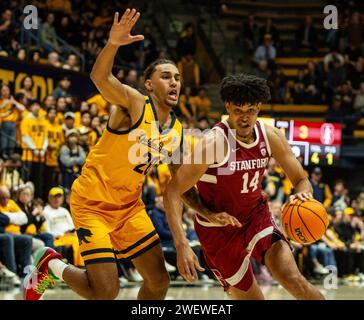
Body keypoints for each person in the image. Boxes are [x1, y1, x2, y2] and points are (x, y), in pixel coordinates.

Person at [24, 9, 183, 300]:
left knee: (159, 281)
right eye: (165, 76)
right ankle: (52, 265)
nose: (174, 82)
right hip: (92, 203)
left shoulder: (177, 131)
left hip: (130, 208)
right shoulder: (134, 104)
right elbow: (99, 76)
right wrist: (113, 44)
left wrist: (210, 214)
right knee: (105, 292)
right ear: (149, 84)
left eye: (177, 77)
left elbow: (182, 185)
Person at [164, 73, 325, 300]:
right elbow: (172, 191)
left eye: (250, 110)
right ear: (228, 107)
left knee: (295, 280)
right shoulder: (214, 143)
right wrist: (182, 245)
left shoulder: (270, 136)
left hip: (256, 216)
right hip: (218, 232)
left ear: (259, 108)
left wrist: (302, 196)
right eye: (238, 111)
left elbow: (301, 180)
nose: (244, 118)